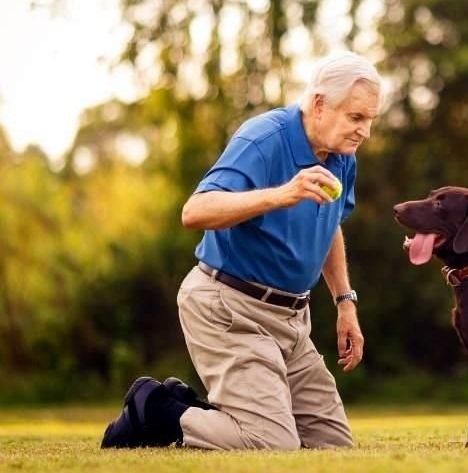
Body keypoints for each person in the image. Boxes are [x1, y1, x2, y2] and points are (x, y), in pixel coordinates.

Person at [101, 51, 382, 450]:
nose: (365, 132)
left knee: (334, 447)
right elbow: (194, 211)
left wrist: (345, 302)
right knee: (271, 443)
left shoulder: (342, 158)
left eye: (370, 120)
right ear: (319, 103)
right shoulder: (264, 138)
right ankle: (157, 409)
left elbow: (330, 225)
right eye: (357, 118)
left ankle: (193, 409)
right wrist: (281, 195)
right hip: (228, 307)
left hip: (291, 320)